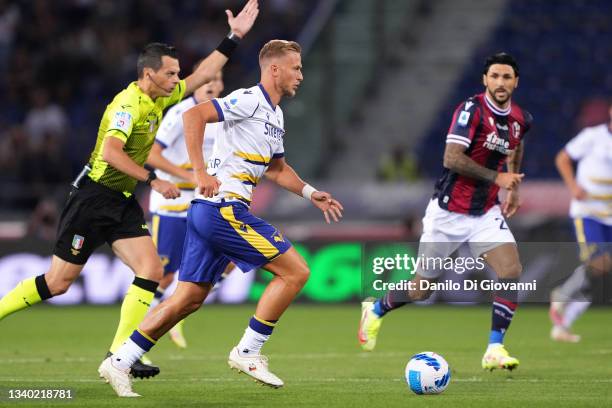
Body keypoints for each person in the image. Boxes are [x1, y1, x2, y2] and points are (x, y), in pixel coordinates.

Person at [0, 0, 259, 381]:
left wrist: (234, 37)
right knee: (58, 283)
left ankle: (120, 356)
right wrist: (152, 179)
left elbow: (204, 73)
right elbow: (110, 152)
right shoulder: (128, 105)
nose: (177, 81)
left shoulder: (162, 97)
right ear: (149, 74)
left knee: (151, 270)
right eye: (170, 74)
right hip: (93, 197)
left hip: (120, 201)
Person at [100, 39, 344, 397]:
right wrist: (200, 171)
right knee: (296, 271)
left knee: (188, 299)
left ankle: (120, 361)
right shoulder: (249, 99)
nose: (301, 75)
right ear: (274, 69)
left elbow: (277, 169)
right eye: (297, 67)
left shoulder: (275, 115)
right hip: (222, 209)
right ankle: (248, 351)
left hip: (208, 212)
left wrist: (310, 193)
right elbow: (192, 115)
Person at [359, 53, 533, 371]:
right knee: (420, 289)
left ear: (515, 82)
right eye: (495, 76)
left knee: (510, 270)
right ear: (485, 80)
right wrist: (498, 177)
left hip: (485, 213)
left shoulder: (521, 118)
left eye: (507, 77)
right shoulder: (471, 110)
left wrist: (513, 187)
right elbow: (451, 158)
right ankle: (376, 310)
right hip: (447, 213)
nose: (501, 82)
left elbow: (516, 145)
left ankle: (495, 347)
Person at [146, 68, 237, 349]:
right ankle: (139, 334)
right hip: (171, 205)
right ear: (196, 84)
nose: (211, 84)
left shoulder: (223, 115)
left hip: (202, 205)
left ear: (222, 84)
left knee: (231, 258)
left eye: (217, 79)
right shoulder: (179, 113)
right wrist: (191, 177)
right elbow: (151, 155)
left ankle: (179, 313)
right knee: (165, 276)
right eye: (205, 79)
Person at [549, 101, 611, 343]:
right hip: (588, 212)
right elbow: (562, 158)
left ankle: (563, 324)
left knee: (600, 270)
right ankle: (562, 295)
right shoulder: (592, 137)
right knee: (597, 262)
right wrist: (574, 187)